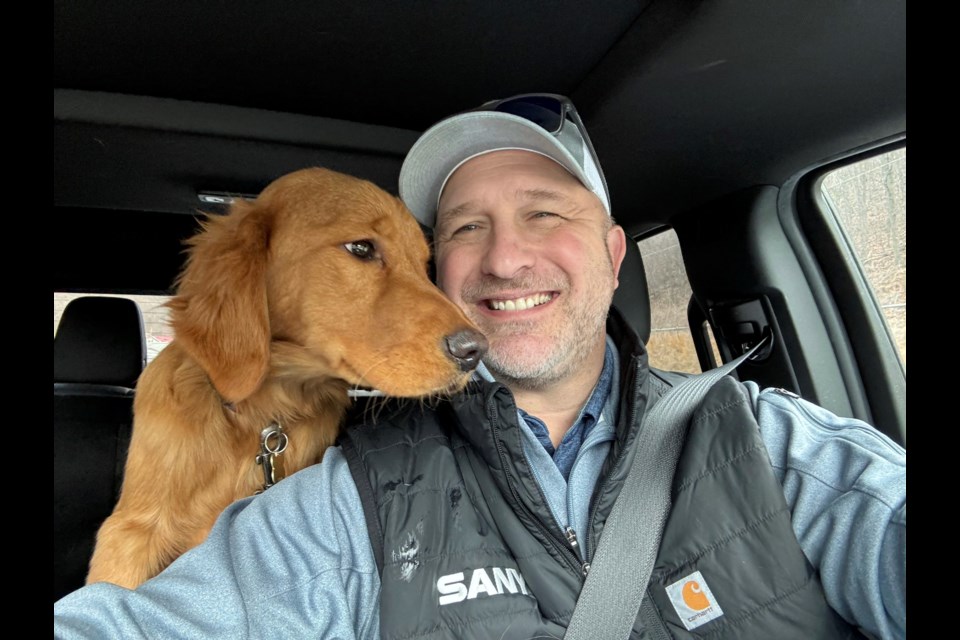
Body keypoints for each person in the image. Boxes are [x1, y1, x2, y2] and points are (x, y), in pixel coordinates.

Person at [54, 94, 906, 639]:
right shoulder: (362, 490)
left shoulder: (774, 442)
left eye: (544, 212)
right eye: (463, 229)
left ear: (616, 257)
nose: (502, 260)